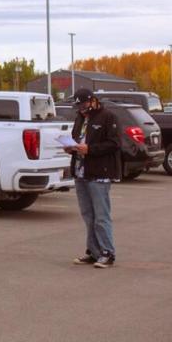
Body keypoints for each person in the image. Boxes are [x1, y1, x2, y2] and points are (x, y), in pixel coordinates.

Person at [63, 89, 120, 269]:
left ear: (92, 101)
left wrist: (90, 149)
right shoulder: (80, 118)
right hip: (81, 172)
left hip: (99, 174)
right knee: (88, 215)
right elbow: (75, 138)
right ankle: (93, 251)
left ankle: (107, 253)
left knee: (101, 216)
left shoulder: (107, 117)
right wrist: (70, 147)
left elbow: (114, 144)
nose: (81, 108)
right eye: (78, 105)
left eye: (83, 104)